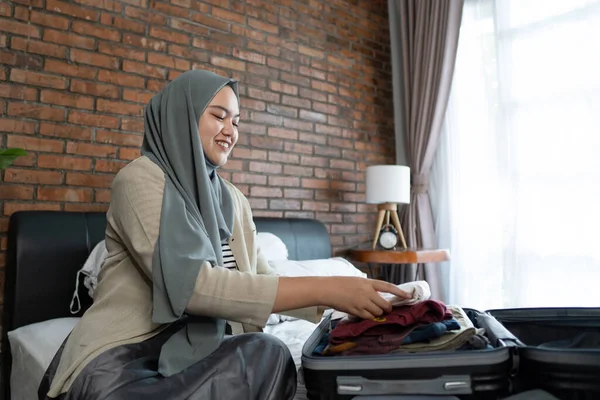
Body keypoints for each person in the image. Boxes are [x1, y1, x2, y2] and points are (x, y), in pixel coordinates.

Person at [39, 70, 411, 400]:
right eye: (218, 116)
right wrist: (327, 289)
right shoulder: (140, 179)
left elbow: (262, 280)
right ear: (180, 117)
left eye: (237, 121)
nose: (231, 131)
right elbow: (191, 286)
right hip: (127, 359)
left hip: (203, 352)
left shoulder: (233, 199)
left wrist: (350, 299)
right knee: (266, 353)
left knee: (268, 352)